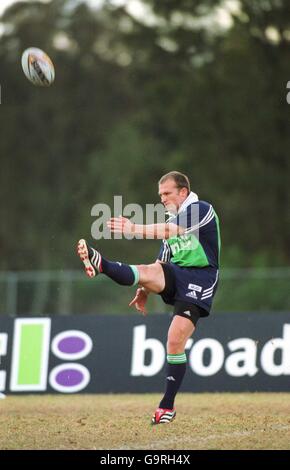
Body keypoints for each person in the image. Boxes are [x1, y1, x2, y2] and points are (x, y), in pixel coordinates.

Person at [77, 171, 221, 425]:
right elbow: (161, 261)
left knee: (174, 341)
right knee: (147, 269)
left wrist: (132, 228)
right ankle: (103, 265)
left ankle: (167, 406)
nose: (162, 199)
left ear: (183, 193)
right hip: (177, 274)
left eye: (167, 193)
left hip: (201, 279)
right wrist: (144, 288)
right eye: (160, 195)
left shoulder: (201, 209)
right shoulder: (171, 216)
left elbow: (170, 231)